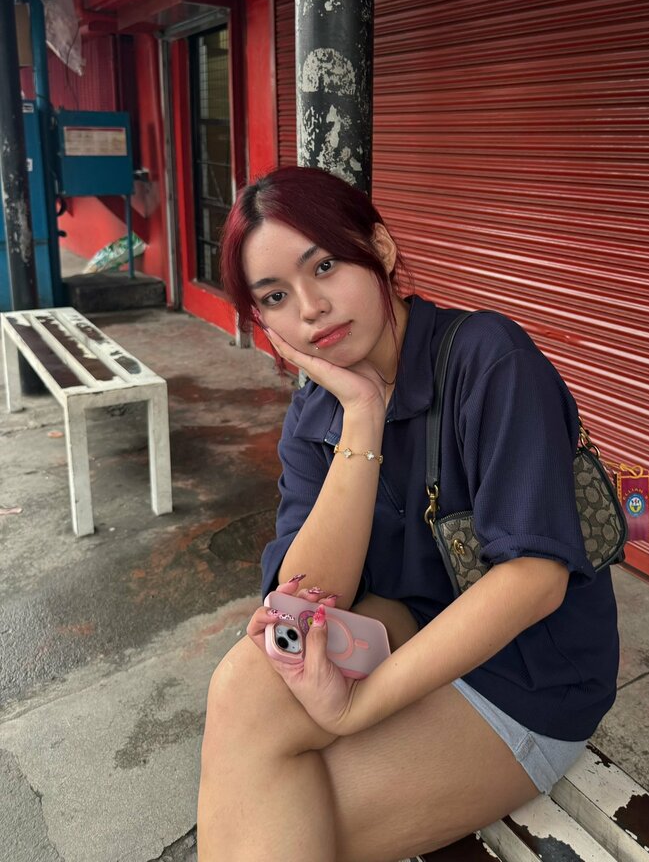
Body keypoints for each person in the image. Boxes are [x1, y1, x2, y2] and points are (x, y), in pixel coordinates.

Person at [197, 166, 620, 862]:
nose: (311, 308)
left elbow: (534, 580)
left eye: (325, 266)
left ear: (381, 249)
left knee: (266, 822)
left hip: (528, 675)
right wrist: (362, 414)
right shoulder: (316, 411)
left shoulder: (489, 359)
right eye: (275, 296)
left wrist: (356, 709)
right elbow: (306, 603)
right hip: (405, 628)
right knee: (247, 684)